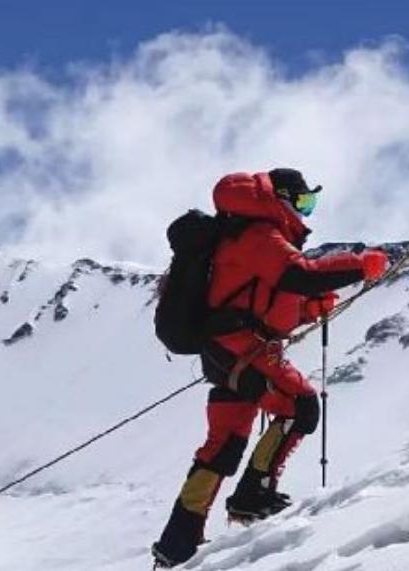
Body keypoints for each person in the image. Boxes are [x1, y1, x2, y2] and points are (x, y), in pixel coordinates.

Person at [152, 168, 389, 568]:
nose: (306, 212)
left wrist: (307, 310)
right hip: (242, 348)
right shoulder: (261, 234)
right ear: (278, 197)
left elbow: (263, 299)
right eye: (302, 202)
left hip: (226, 349)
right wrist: (362, 265)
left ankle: (178, 544)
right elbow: (299, 275)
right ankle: (253, 496)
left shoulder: (244, 234)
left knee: (223, 443)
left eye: (310, 203)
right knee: (300, 405)